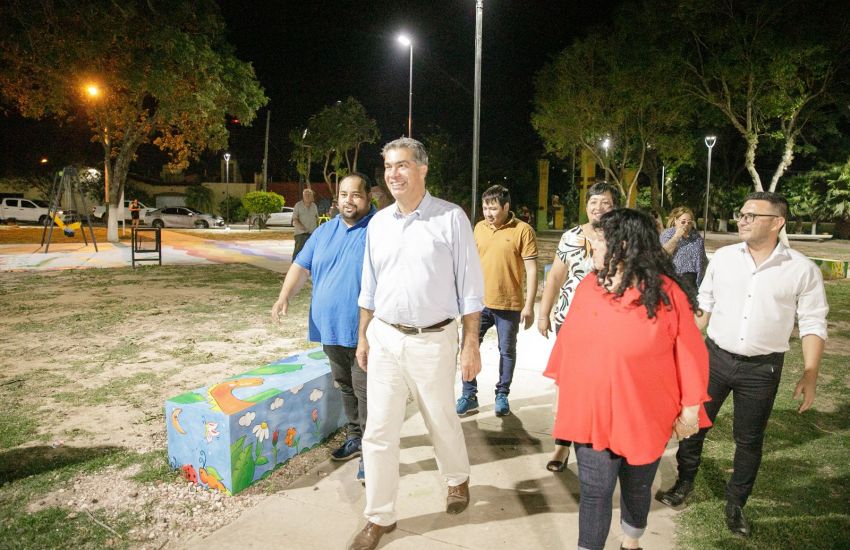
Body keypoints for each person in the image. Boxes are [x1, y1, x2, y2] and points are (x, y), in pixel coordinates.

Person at [658, 192, 828, 537]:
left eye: (752, 215)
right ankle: (684, 481)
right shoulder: (723, 258)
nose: (743, 219)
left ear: (777, 222)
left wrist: (810, 373)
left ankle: (736, 504)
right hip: (714, 358)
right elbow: (703, 307)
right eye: (742, 213)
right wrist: (679, 345)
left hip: (762, 369)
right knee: (693, 425)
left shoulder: (802, 269)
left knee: (749, 440)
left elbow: (813, 323)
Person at [544, 208, 711, 550]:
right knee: (594, 489)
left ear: (624, 244)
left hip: (645, 412)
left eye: (600, 241)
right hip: (593, 411)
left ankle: (631, 540)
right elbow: (569, 342)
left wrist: (691, 408)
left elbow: (691, 353)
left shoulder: (666, 292)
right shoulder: (590, 284)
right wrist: (563, 393)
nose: (593, 247)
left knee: (636, 487)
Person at [350, 138, 484, 550]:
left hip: (434, 339)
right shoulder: (378, 224)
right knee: (379, 431)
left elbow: (471, 288)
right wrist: (363, 336)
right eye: (389, 166)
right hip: (386, 337)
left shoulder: (450, 219)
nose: (393, 173)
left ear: (423, 170)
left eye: (403, 165)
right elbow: (368, 287)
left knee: (440, 418)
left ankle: (457, 478)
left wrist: (471, 343)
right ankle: (379, 517)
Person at [271, 173, 376, 483]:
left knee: (367, 393)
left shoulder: (378, 231)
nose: (348, 200)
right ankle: (356, 437)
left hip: (364, 334)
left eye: (356, 194)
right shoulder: (323, 232)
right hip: (329, 329)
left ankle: (373, 454)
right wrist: (284, 297)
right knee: (345, 387)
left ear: (368, 197)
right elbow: (301, 266)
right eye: (344, 194)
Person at [537, 181, 619, 472]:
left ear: (615, 206)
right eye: (594, 202)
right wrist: (544, 312)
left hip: (609, 328)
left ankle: (598, 436)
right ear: (586, 206)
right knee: (567, 384)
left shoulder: (623, 236)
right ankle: (562, 443)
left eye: (606, 203)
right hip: (570, 323)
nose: (599, 208)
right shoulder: (571, 236)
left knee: (601, 385)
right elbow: (556, 278)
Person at [456, 184, 538, 417]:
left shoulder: (523, 230)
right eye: (485, 208)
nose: (488, 213)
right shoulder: (479, 228)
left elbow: (532, 269)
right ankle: (468, 394)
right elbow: (470, 264)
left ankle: (502, 394)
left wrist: (529, 305)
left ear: (506, 206)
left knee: (506, 351)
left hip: (508, 304)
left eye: (493, 208)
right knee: (469, 346)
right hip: (478, 304)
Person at [660, 206, 706, 290]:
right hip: (674, 278)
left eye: (689, 222)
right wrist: (676, 237)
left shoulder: (696, 237)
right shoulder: (667, 234)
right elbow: (662, 254)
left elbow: (702, 262)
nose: (686, 225)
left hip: (693, 281)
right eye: (683, 222)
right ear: (675, 221)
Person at [292, 188, 318, 261]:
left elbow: (316, 218)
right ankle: (293, 269)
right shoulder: (298, 205)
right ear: (303, 196)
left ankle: (308, 269)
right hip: (301, 234)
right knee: (298, 251)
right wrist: (302, 227)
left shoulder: (314, 206)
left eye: (309, 194)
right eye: (306, 194)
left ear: (312, 196)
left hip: (312, 233)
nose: (308, 196)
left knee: (311, 253)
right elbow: (295, 218)